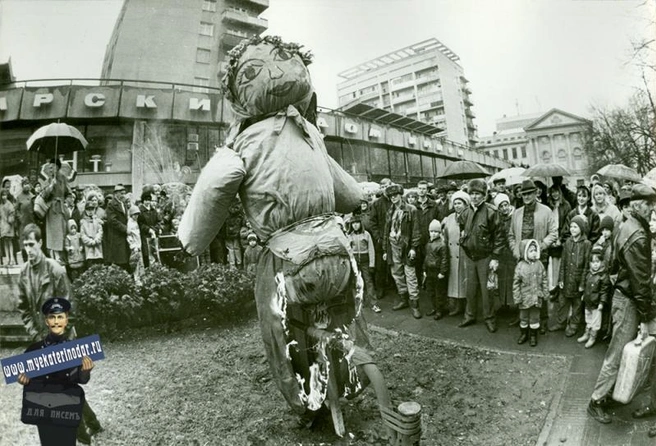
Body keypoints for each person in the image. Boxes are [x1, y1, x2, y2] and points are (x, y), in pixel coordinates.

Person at [587, 184, 656, 425]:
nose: (652, 208)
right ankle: (596, 400)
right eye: (649, 204)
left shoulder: (627, 226)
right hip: (628, 299)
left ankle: (610, 394)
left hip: (623, 296)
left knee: (620, 348)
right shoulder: (636, 233)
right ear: (638, 204)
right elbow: (640, 280)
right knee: (617, 352)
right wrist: (647, 314)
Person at [17, 297, 95, 446]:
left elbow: (81, 379)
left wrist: (85, 371)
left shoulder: (75, 349)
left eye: (60, 317)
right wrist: (23, 380)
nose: (56, 321)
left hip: (67, 407)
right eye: (52, 317)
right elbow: (29, 382)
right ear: (46, 321)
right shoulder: (33, 350)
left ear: (66, 321)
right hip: (45, 410)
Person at [509, 179, 558, 334]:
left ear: (536, 193)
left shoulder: (546, 211)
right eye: (524, 194)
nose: (527, 196)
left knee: (539, 289)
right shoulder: (517, 213)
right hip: (521, 259)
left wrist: (542, 246)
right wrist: (516, 250)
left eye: (530, 193)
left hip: (540, 258)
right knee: (523, 288)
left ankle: (541, 320)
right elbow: (511, 235)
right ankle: (524, 320)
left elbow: (554, 232)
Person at [458, 179, 506, 333]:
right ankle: (469, 316)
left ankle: (489, 318)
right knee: (470, 289)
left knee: (487, 292)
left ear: (484, 195)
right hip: (470, 257)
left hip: (486, 257)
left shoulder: (491, 212)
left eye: (478, 194)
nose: (475, 197)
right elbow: (462, 230)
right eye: (472, 193)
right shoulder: (465, 212)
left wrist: (495, 257)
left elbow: (499, 237)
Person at [382, 184, 422, 318]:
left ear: (401, 195)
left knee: (410, 275)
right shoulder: (389, 211)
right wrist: (385, 249)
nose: (393, 198)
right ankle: (404, 299)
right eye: (391, 196)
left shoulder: (411, 210)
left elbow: (416, 230)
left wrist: (413, 248)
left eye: (395, 195)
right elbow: (386, 231)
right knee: (397, 274)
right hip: (393, 245)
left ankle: (415, 304)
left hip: (406, 246)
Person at [557, 215, 592, 337]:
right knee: (562, 302)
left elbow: (587, 265)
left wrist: (583, 283)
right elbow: (563, 262)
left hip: (577, 280)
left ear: (581, 228)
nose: (572, 229)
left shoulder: (586, 244)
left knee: (577, 305)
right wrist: (561, 278)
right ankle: (561, 322)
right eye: (571, 227)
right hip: (567, 278)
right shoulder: (567, 242)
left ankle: (573, 325)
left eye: (575, 227)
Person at [513, 239, 548, 347]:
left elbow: (544, 279)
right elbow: (516, 283)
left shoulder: (540, 264)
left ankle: (533, 335)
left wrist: (545, 293)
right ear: (525, 252)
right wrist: (517, 297)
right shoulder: (520, 266)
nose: (533, 253)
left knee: (534, 317)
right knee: (523, 317)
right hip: (524, 298)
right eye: (530, 251)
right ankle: (524, 334)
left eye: (535, 250)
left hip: (536, 298)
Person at [442, 190, 470, 316]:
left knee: (465, 282)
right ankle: (457, 306)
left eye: (460, 203)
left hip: (466, 255)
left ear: (466, 204)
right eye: (455, 203)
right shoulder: (449, 219)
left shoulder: (470, 217)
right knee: (454, 282)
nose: (457, 206)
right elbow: (445, 236)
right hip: (452, 254)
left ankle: (467, 308)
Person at [578, 246, 611, 348]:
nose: (595, 264)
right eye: (593, 262)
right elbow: (587, 287)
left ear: (601, 262)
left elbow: (604, 291)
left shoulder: (603, 276)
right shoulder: (589, 274)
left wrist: (602, 302)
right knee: (588, 318)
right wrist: (584, 295)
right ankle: (587, 333)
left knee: (595, 322)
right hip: (588, 302)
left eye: (597, 261)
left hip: (597, 304)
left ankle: (592, 337)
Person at [41, 159, 71, 263]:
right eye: (49, 167)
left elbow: (69, 193)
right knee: (53, 234)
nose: (50, 169)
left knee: (62, 233)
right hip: (52, 211)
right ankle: (55, 257)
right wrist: (50, 186)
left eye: (52, 166)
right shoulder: (48, 179)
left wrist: (67, 202)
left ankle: (62, 257)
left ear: (57, 167)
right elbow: (44, 195)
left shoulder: (63, 178)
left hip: (62, 209)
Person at [348, 214, 379, 313]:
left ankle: (374, 304)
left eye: (357, 223)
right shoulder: (350, 236)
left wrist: (372, 264)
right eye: (353, 223)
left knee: (368, 282)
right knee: (356, 283)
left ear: (360, 224)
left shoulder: (366, 234)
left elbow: (371, 250)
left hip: (365, 261)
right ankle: (360, 303)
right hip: (355, 262)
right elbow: (348, 250)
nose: (355, 225)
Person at [369, 178, 393, 301]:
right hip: (381, 239)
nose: (385, 189)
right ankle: (381, 288)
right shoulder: (376, 204)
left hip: (395, 238)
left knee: (396, 263)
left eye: (387, 186)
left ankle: (396, 286)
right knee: (380, 266)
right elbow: (372, 221)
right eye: (383, 187)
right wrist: (377, 237)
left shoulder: (396, 201)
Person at [423, 219, 449, 320]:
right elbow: (426, 258)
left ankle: (439, 310)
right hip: (429, 270)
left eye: (435, 232)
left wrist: (442, 272)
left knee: (439, 292)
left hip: (437, 271)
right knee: (431, 291)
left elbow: (444, 260)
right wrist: (424, 269)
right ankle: (434, 307)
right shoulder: (428, 243)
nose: (433, 234)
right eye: (431, 231)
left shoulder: (442, 245)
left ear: (439, 232)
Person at [414, 180, 438, 282]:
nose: (421, 191)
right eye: (420, 188)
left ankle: (429, 283)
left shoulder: (433, 205)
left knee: (430, 262)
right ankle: (419, 283)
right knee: (417, 262)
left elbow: (438, 220)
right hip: (417, 238)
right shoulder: (414, 206)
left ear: (427, 190)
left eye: (424, 189)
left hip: (430, 238)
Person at [104, 184, 130, 271]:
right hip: (116, 236)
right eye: (121, 193)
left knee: (125, 259)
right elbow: (112, 220)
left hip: (123, 235)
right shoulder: (111, 204)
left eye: (124, 193)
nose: (123, 195)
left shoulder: (123, 203)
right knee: (118, 260)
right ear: (116, 193)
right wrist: (125, 228)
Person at [137, 191, 160, 268]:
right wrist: (148, 230)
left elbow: (159, 221)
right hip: (145, 235)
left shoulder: (154, 210)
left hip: (154, 235)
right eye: (146, 200)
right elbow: (140, 223)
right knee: (146, 253)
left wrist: (155, 229)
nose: (148, 202)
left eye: (149, 200)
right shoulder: (140, 211)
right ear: (143, 201)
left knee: (155, 253)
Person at [15, 178, 35, 262]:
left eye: (27, 184)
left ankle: (32, 261)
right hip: (22, 224)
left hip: (31, 223)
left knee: (32, 241)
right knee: (24, 243)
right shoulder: (19, 197)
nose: (26, 186)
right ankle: (25, 262)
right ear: (22, 186)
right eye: (24, 184)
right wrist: (20, 218)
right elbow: (16, 210)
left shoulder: (32, 196)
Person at [80, 201, 104, 268]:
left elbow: (100, 231)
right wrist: (90, 241)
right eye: (88, 209)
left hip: (97, 246)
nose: (90, 211)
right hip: (88, 247)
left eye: (92, 209)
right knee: (90, 264)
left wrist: (96, 239)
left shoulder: (98, 221)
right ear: (85, 210)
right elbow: (83, 235)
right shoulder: (83, 222)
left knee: (99, 264)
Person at [127, 205, 144, 283]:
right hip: (134, 247)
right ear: (131, 215)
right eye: (134, 214)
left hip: (138, 244)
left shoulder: (135, 222)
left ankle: (140, 278)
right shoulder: (130, 223)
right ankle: (136, 279)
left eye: (137, 214)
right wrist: (133, 246)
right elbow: (129, 236)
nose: (136, 216)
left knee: (140, 263)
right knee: (135, 264)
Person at [0, 188, 16, 265]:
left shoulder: (9, 204)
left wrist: (10, 218)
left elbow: (12, 212)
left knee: (10, 242)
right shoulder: (0, 205)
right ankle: (7, 258)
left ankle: (12, 258)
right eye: (2, 195)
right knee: (5, 242)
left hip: (9, 225)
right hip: (3, 225)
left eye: (5, 195)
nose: (4, 197)